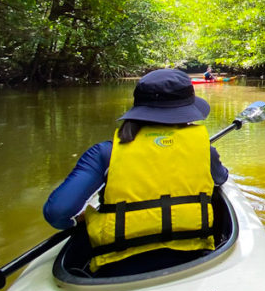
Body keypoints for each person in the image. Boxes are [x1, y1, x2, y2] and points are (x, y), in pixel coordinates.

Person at [43, 68, 228, 275]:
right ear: (186, 111)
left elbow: (57, 213)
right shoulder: (204, 150)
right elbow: (221, 178)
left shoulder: (105, 153)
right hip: (191, 256)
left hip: (115, 266)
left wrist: (76, 222)